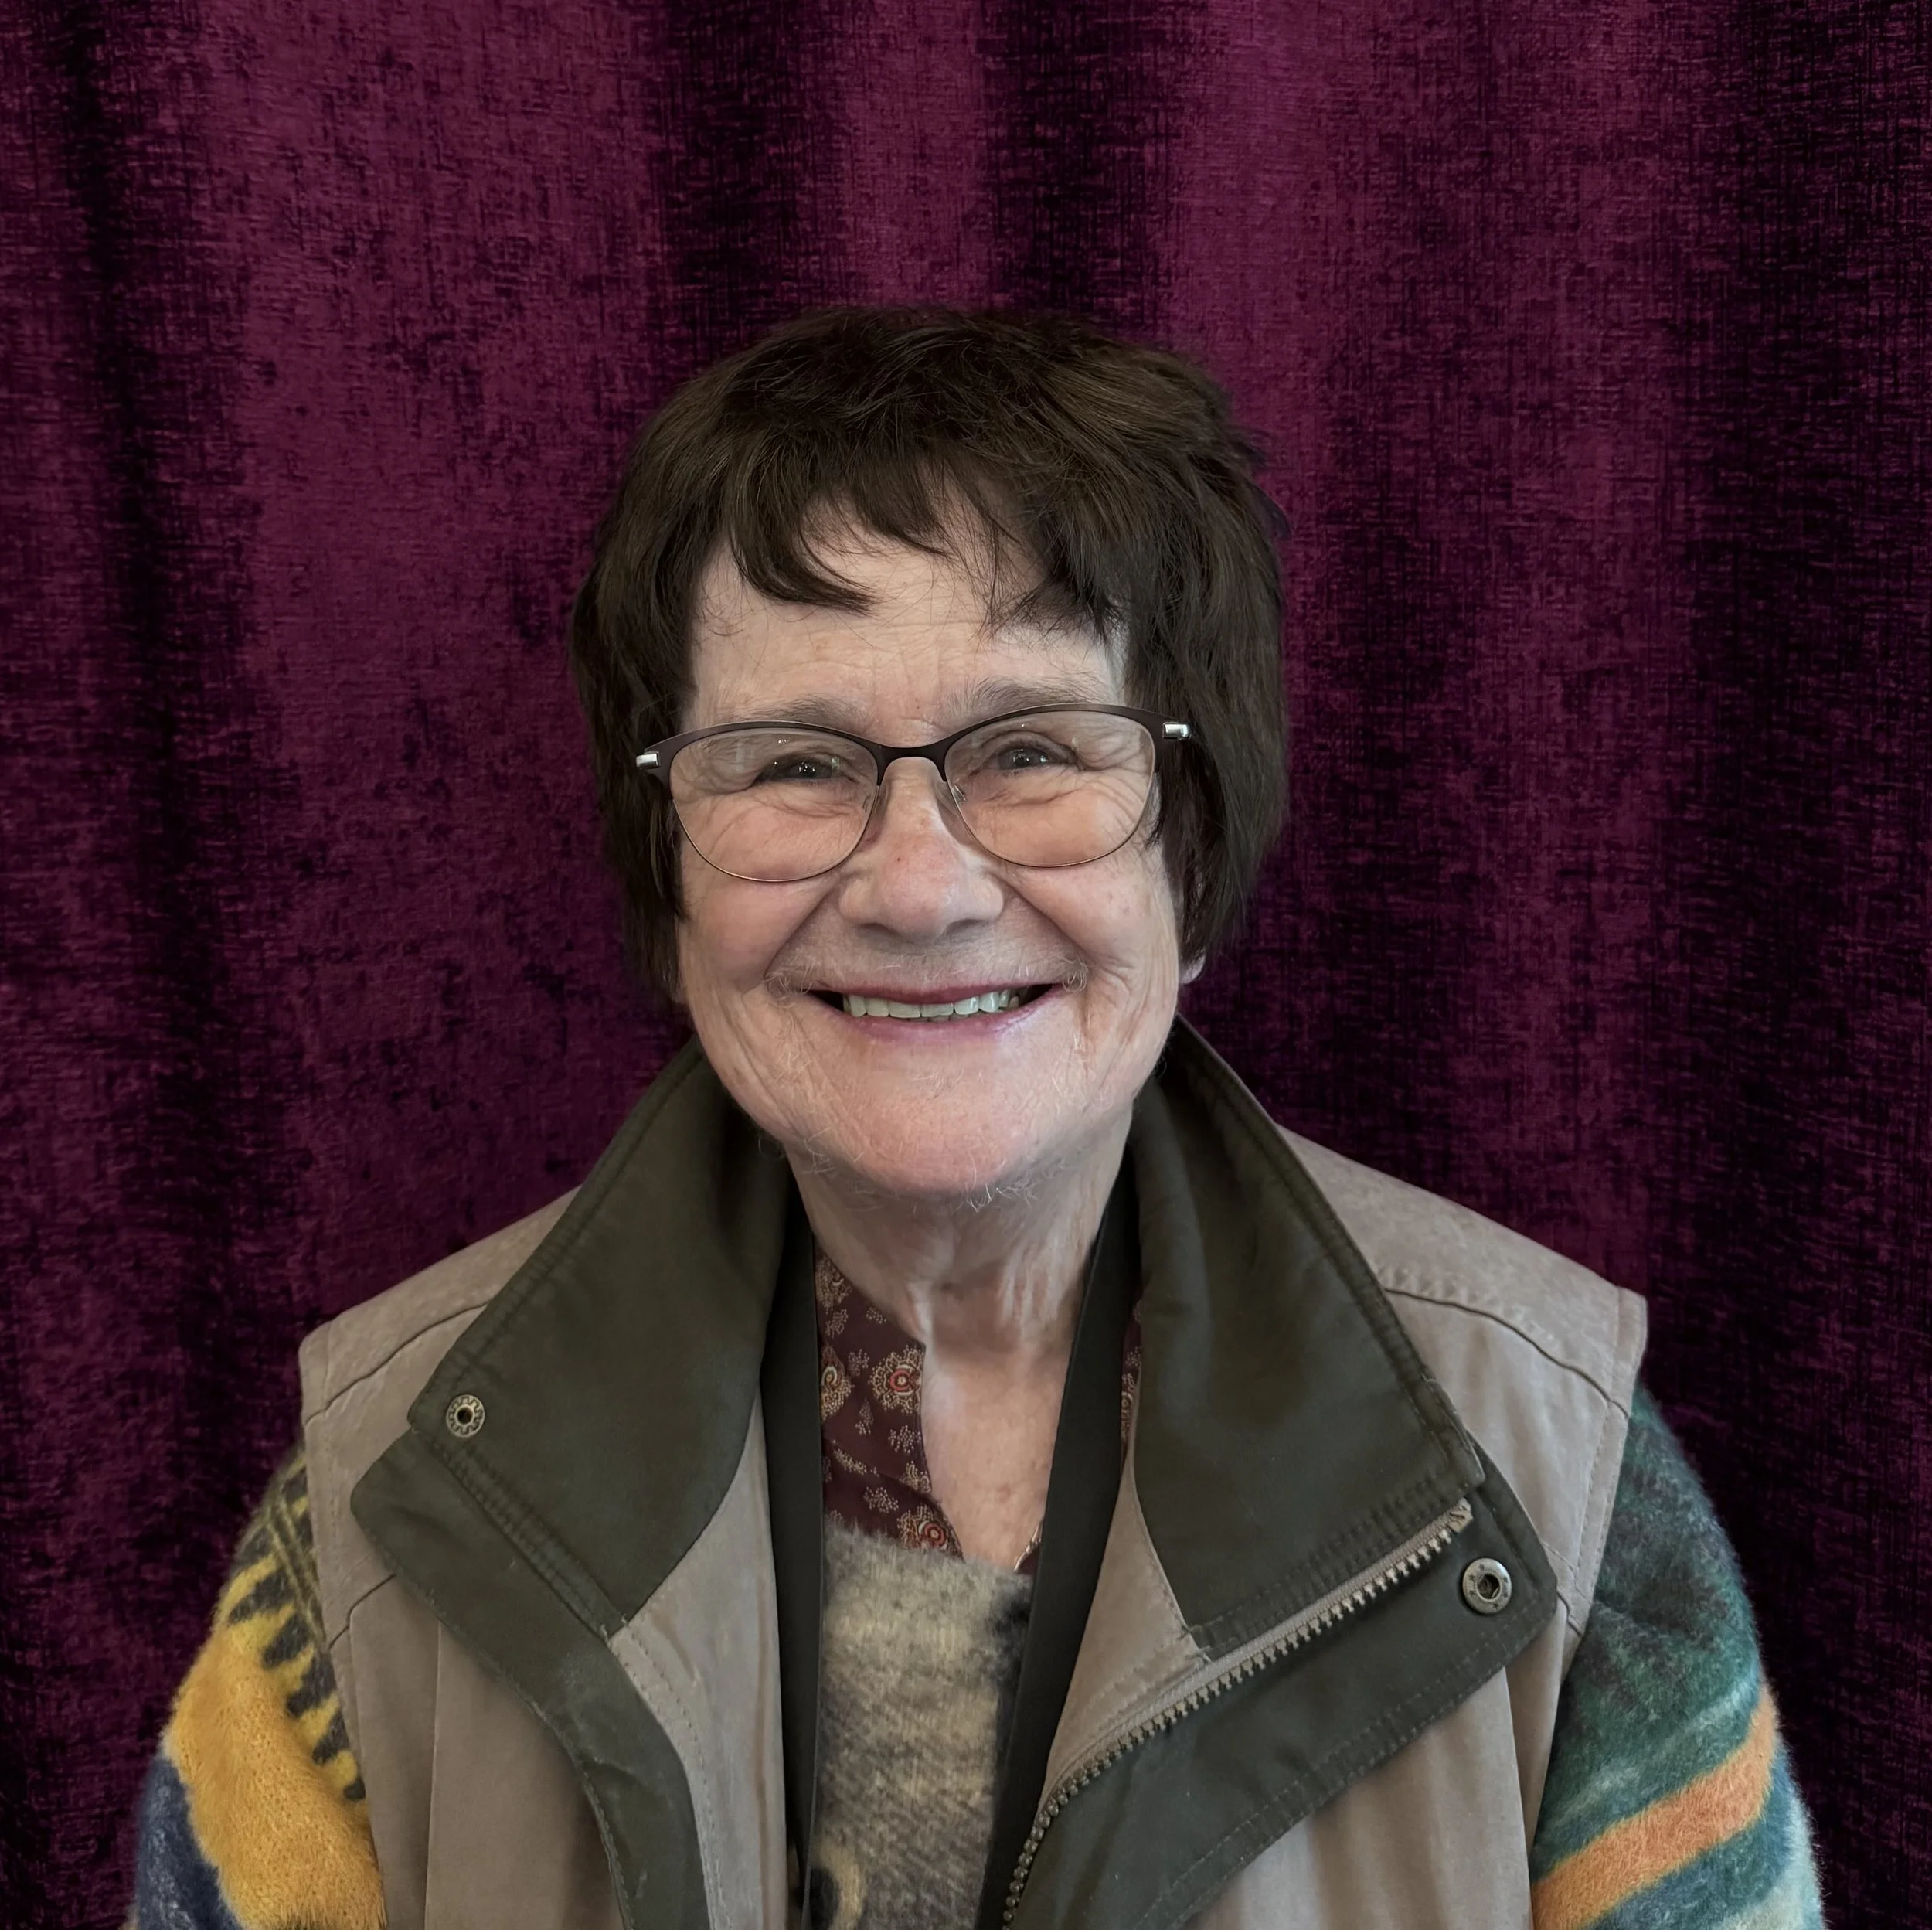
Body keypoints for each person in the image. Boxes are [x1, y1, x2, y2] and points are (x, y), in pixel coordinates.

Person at [131, 309, 1825, 1930]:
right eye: (794, 763)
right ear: (669, 878)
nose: (920, 887)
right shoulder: (382, 1496)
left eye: (1032, 751)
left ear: (1192, 848)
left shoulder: (1551, 1474)